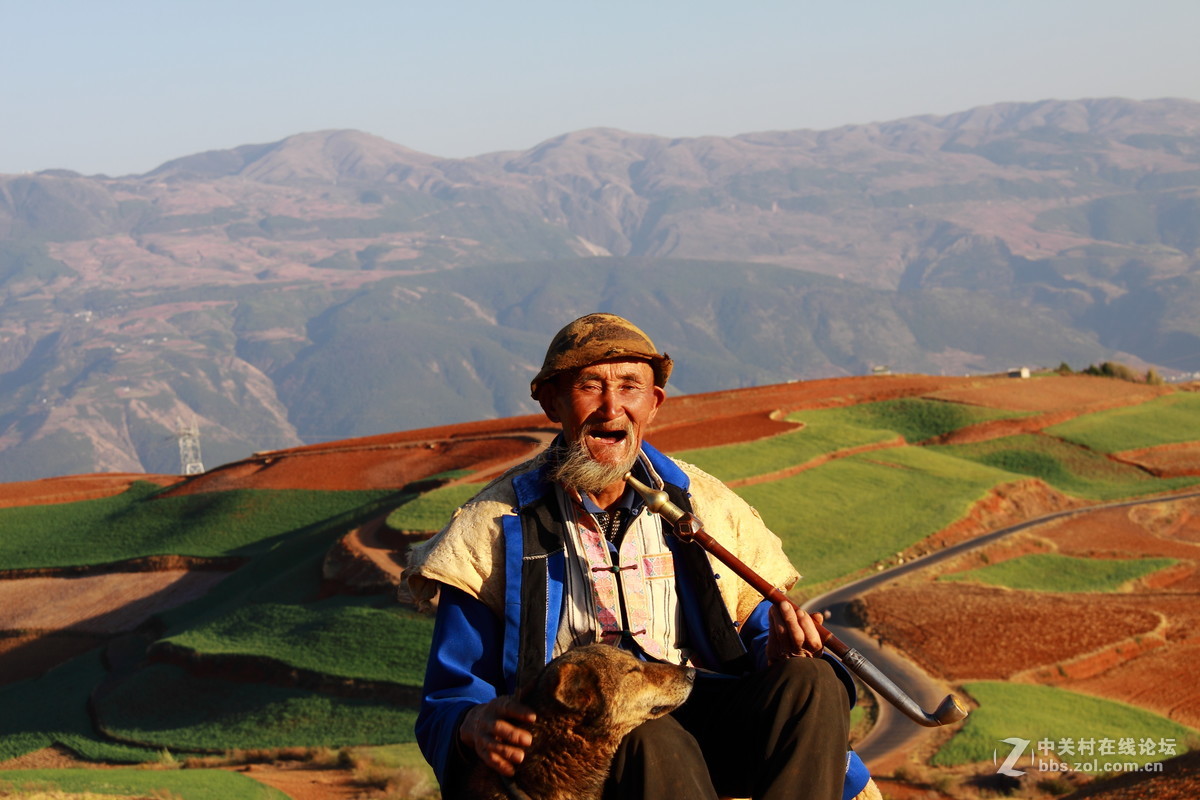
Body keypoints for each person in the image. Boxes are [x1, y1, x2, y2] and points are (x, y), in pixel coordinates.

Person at [406, 313, 872, 800]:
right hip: (584, 749)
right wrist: (471, 721)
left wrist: (775, 650)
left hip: (701, 707)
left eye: (630, 387)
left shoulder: (707, 505)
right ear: (552, 402)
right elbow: (450, 695)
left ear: (654, 404)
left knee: (812, 680)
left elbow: (755, 632)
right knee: (646, 735)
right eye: (590, 386)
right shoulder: (494, 527)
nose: (612, 409)